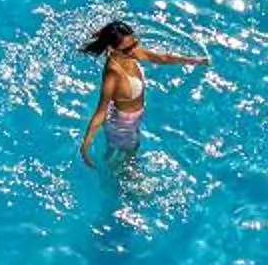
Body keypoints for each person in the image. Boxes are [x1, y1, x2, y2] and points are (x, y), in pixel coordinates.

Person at [77, 18, 204, 164]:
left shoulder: (130, 53)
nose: (133, 51)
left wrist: (195, 60)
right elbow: (100, 112)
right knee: (130, 157)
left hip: (132, 117)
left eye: (134, 43)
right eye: (126, 49)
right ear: (112, 49)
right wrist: (85, 147)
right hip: (122, 125)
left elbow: (162, 58)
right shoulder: (113, 74)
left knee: (121, 151)